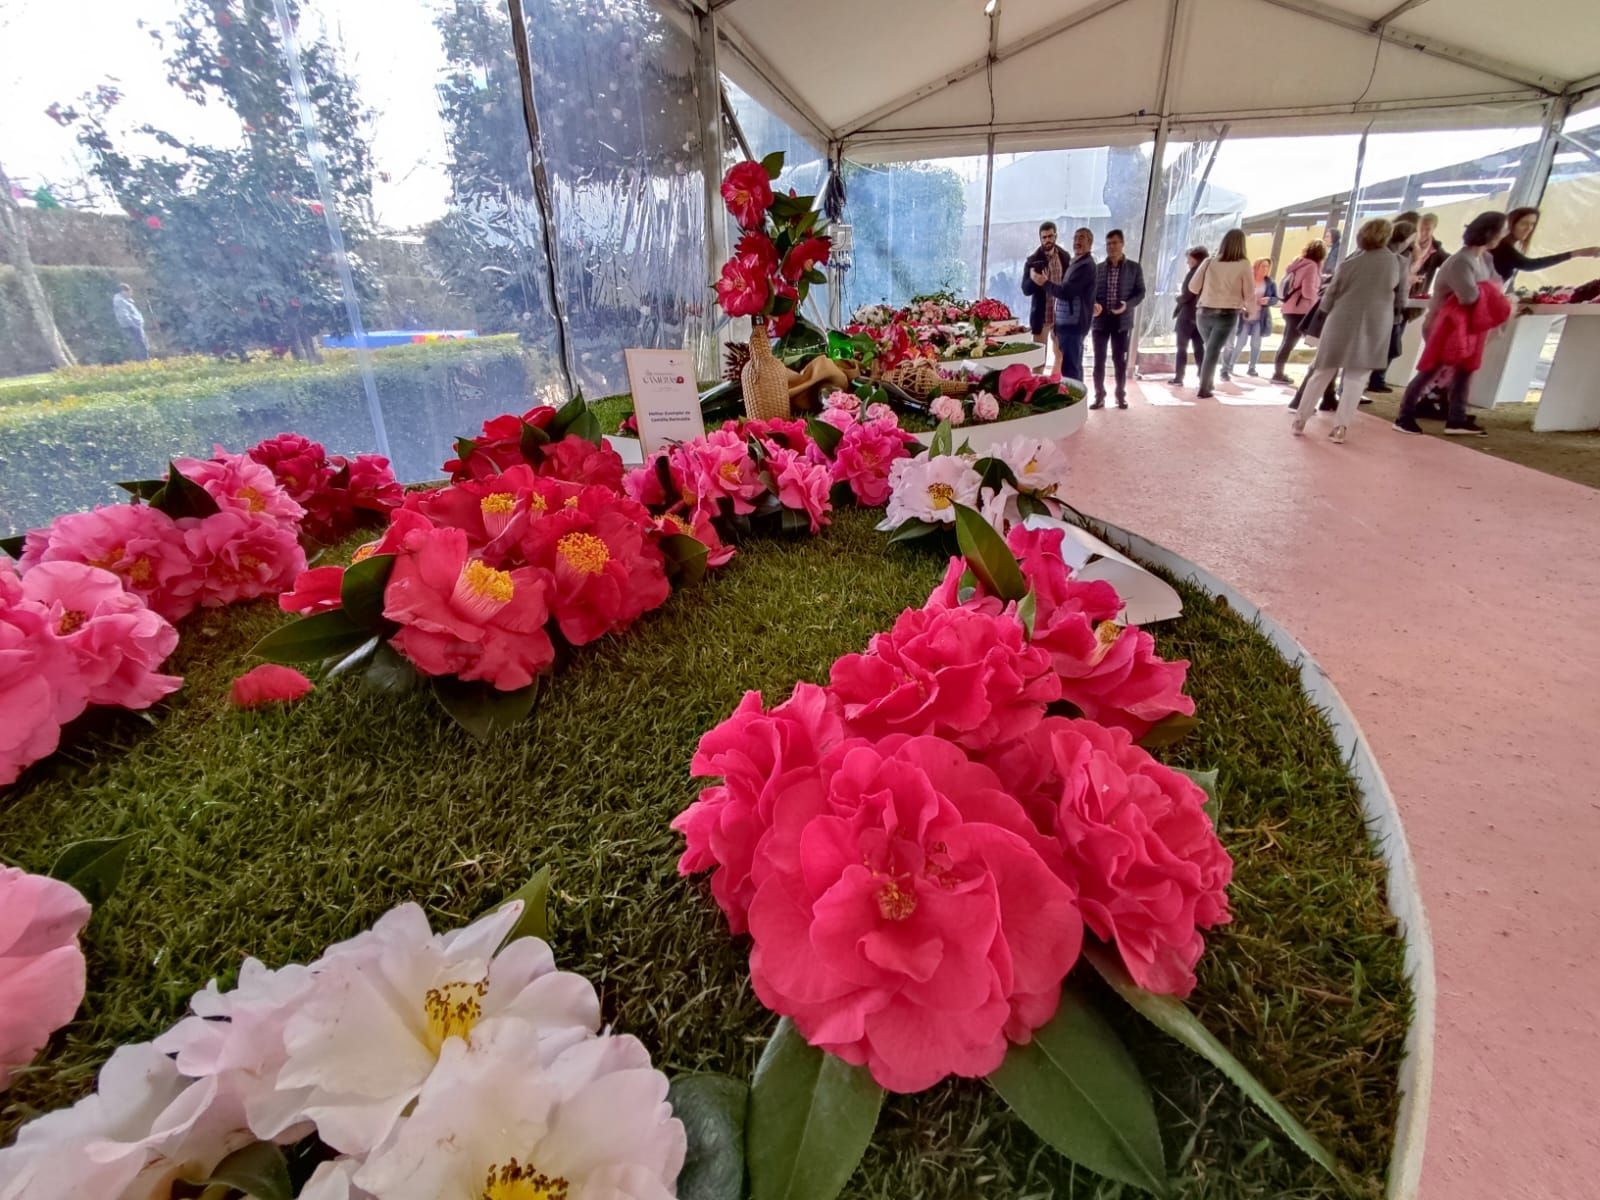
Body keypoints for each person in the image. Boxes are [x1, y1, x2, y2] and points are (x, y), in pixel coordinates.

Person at [1394, 211, 1514, 437]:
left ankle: (1457, 418)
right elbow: (1469, 296)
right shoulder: (1462, 261)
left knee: (1464, 371)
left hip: (1465, 327)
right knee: (1431, 370)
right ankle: (1404, 415)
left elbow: (1481, 290)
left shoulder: (1482, 258)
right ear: (1490, 232)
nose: (1504, 235)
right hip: (1444, 327)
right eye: (1501, 230)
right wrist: (1494, 296)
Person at [1290, 218, 1406, 444]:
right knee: (1356, 377)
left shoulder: (1349, 262)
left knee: (1322, 371)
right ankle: (1341, 427)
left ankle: (1300, 419)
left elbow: (1330, 296)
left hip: (1340, 320)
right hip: (1375, 322)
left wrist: (1324, 314)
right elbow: (1400, 296)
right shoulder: (1396, 263)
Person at [1188, 228, 1256, 399]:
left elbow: (1193, 287)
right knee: (1212, 350)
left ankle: (1207, 382)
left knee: (1210, 348)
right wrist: (1251, 311)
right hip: (1227, 313)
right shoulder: (1243, 264)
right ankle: (1204, 388)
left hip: (1203, 312)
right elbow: (1249, 293)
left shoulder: (1209, 262)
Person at [1089, 229, 1146, 409]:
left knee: (1119, 360)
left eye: (1114, 243)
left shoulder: (1134, 268)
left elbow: (1140, 292)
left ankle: (1120, 395)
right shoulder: (1098, 269)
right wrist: (1094, 304)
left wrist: (1127, 305)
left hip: (1122, 321)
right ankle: (1099, 395)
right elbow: (1090, 293)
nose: (1111, 247)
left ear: (1122, 244)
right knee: (1099, 360)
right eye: (1108, 244)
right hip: (1100, 321)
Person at [1367, 219, 1417, 393]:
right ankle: (1374, 381)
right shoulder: (1398, 260)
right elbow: (1401, 293)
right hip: (1387, 314)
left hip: (1370, 312)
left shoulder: (1366, 255)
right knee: (1384, 350)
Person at [1489, 206, 1600, 285]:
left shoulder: (1506, 247)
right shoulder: (1503, 247)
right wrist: (1576, 253)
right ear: (1511, 224)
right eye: (1524, 223)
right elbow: (1529, 265)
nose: (1529, 228)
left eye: (1532, 224)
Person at [1045, 226, 1096, 384]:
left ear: (1090, 243)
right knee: (1068, 366)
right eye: (1075, 238)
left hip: (1073, 327)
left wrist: (1045, 283)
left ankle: (1074, 402)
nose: (1077, 241)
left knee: (1071, 369)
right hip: (1066, 325)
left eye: (1081, 238)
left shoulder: (1086, 265)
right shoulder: (1076, 263)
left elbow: (1066, 292)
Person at [1271, 240, 1326, 383]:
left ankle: (1278, 372)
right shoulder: (1312, 267)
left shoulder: (1297, 263)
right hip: (1301, 310)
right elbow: (1308, 291)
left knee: (1286, 341)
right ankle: (1279, 374)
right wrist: (1318, 298)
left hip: (1289, 307)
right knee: (1293, 342)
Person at [1021, 221, 1070, 372]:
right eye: (1044, 237)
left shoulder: (1064, 257)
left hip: (1061, 316)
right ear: (1040, 238)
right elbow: (1026, 289)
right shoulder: (1032, 260)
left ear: (1055, 236)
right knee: (1038, 361)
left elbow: (1069, 285)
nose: (1047, 240)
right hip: (1042, 317)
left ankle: (1056, 387)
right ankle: (1036, 391)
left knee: (1061, 356)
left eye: (1050, 236)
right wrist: (1036, 281)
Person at [1221, 258, 1276, 378]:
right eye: (1263, 266)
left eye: (1267, 267)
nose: (1265, 269)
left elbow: (1275, 298)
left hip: (1259, 317)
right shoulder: (1247, 281)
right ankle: (1230, 365)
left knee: (1256, 344)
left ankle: (1252, 367)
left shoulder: (1270, 282)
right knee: (1240, 342)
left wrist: (1269, 300)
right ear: (1256, 267)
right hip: (1245, 316)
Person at [1170, 246, 1208, 388]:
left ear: (1196, 259)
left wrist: (1178, 298)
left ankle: (1179, 377)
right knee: (1199, 348)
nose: (1187, 262)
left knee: (1182, 348)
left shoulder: (1193, 274)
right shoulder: (1207, 274)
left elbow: (1187, 295)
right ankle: (1203, 376)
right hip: (1200, 315)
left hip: (1186, 316)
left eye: (1189, 259)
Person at [112, 283, 150, 361]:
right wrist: (133, 324)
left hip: (135, 325)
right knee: (140, 344)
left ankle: (144, 359)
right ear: (123, 291)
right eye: (129, 291)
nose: (131, 293)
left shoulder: (125, 301)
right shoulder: (120, 301)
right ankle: (144, 361)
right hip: (132, 326)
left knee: (143, 343)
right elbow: (124, 315)